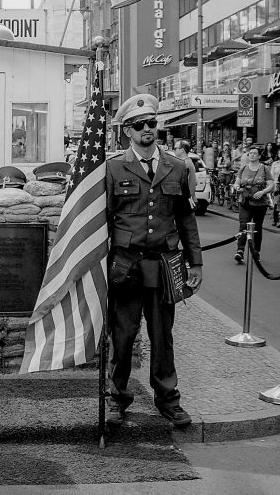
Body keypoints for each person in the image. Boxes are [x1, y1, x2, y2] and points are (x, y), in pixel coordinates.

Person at [105, 93, 202, 428]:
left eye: (152, 123)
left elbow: (186, 219)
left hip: (164, 265)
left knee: (163, 336)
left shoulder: (176, 166)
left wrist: (197, 264)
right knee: (123, 335)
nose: (148, 129)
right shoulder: (114, 167)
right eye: (139, 125)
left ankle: (168, 400)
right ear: (127, 131)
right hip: (126, 265)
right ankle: (116, 397)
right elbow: (104, 218)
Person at [233, 145, 275, 264]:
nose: (251, 155)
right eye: (250, 153)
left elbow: (271, 185)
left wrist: (263, 192)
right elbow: (237, 182)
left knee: (257, 228)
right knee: (243, 226)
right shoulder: (244, 168)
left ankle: (256, 251)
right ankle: (240, 251)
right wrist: (236, 187)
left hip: (260, 204)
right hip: (245, 201)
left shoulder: (264, 168)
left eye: (254, 153)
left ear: (259, 156)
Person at [171, 139, 198, 208]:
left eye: (175, 148)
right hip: (188, 199)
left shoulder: (184, 164)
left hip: (184, 200)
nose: (174, 150)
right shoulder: (188, 161)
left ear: (182, 150)